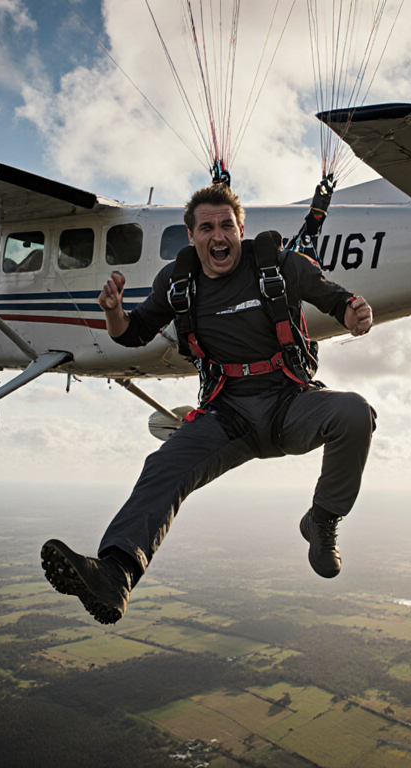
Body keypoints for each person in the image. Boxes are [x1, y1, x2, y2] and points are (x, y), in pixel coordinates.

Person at [40, 184, 375, 624]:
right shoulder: (178, 283)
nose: (219, 237)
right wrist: (113, 313)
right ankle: (115, 573)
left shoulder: (278, 264)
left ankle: (322, 521)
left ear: (241, 229)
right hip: (228, 414)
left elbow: (331, 296)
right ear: (192, 236)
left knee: (354, 413)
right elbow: (133, 332)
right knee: (163, 467)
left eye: (226, 226)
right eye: (207, 228)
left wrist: (354, 312)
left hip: (289, 403)